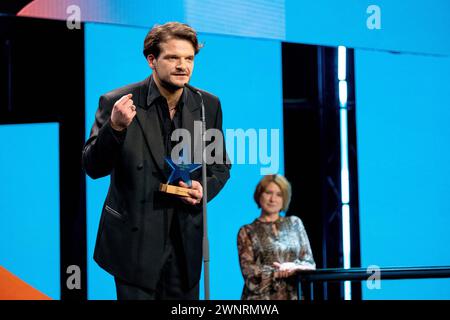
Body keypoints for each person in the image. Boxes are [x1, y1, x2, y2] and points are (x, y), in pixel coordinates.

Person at [82, 22, 230, 300]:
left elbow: (220, 167)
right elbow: (92, 166)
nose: (182, 66)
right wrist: (114, 128)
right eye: (173, 58)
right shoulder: (117, 101)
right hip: (133, 243)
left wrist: (202, 188)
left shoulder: (208, 105)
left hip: (184, 243)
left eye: (189, 58)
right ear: (152, 60)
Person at [237, 174, 315, 300]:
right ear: (259, 195)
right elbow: (250, 275)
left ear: (284, 198)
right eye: (268, 193)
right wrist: (278, 272)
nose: (273, 199)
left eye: (279, 194)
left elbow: (309, 263)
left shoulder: (295, 223)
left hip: (293, 295)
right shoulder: (246, 231)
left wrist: (294, 267)